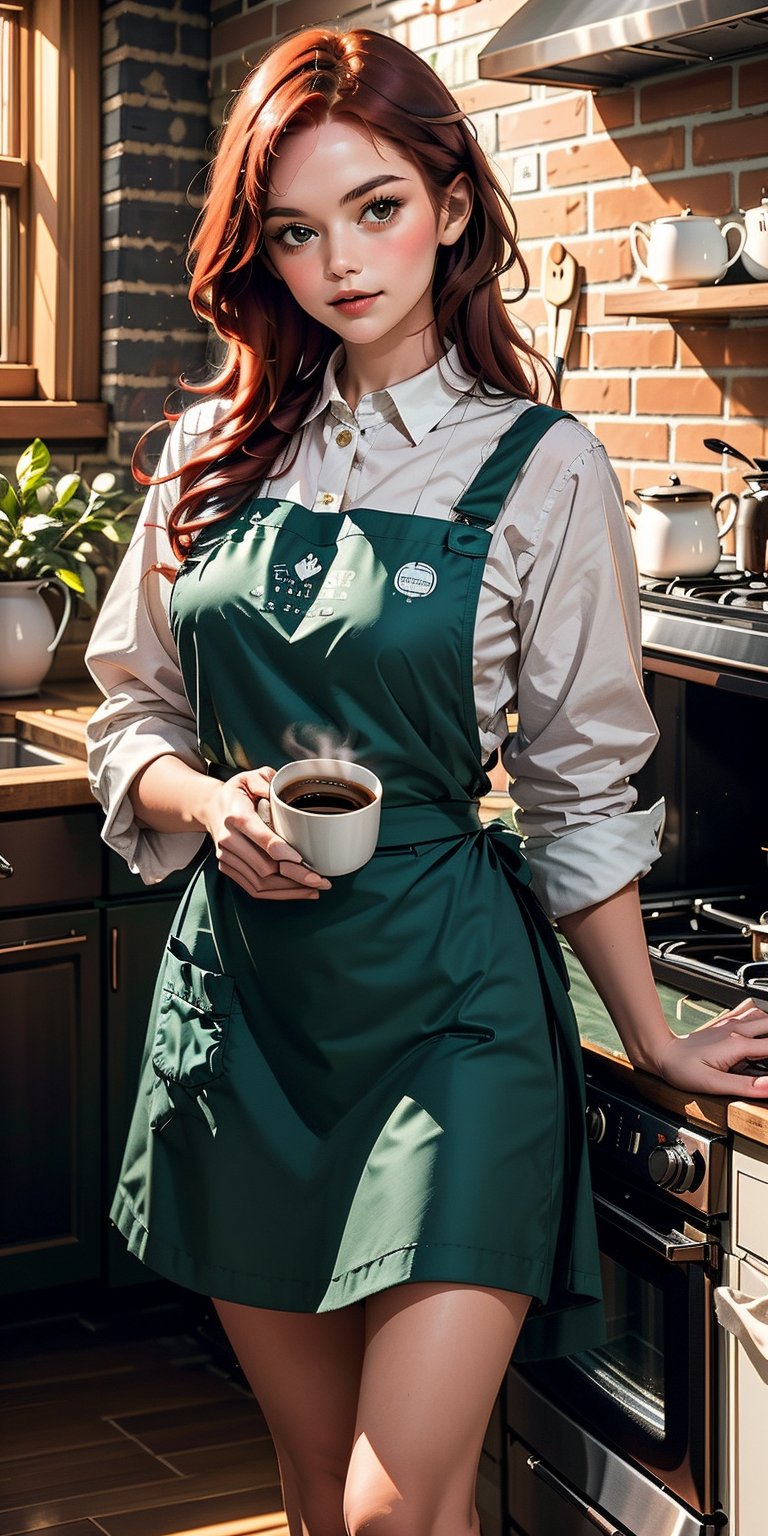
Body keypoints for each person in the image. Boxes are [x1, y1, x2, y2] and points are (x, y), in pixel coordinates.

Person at [85, 26, 768, 1536]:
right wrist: (212, 808)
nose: (341, 261)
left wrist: (653, 1032)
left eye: (377, 206)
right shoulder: (207, 455)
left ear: (451, 205)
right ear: (259, 248)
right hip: (246, 1015)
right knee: (326, 1498)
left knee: (400, 1510)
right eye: (297, 228)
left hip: (449, 1018)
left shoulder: (544, 469)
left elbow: (584, 790)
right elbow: (129, 719)